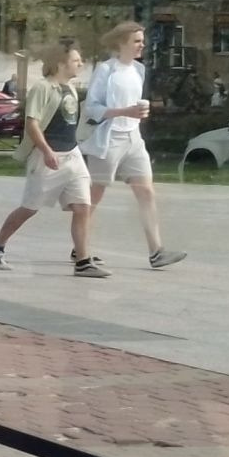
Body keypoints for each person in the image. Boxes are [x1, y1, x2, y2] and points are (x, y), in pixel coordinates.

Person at [0, 41, 98, 276]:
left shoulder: (70, 88)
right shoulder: (43, 88)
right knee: (30, 208)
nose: (80, 64)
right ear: (61, 63)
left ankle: (83, 261)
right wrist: (46, 151)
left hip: (72, 155)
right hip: (47, 157)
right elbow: (32, 124)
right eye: (76, 60)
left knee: (83, 206)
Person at [81, 20, 184, 270]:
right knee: (94, 196)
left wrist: (141, 111)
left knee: (147, 191)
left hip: (134, 139)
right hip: (109, 140)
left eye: (142, 41)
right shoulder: (106, 70)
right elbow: (92, 108)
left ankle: (156, 251)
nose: (142, 45)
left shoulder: (139, 69)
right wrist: (123, 111)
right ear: (121, 43)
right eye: (137, 41)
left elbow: (134, 102)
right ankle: (81, 249)